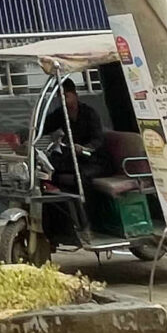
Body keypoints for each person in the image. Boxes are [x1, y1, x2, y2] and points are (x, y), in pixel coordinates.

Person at [38, 80, 107, 251]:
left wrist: (85, 148)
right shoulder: (61, 114)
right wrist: (25, 135)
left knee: (81, 178)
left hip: (94, 160)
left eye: (66, 96)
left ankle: (88, 223)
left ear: (75, 95)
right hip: (73, 160)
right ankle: (58, 228)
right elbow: (43, 127)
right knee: (49, 172)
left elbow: (98, 140)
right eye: (60, 97)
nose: (63, 100)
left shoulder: (89, 113)